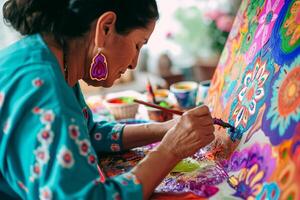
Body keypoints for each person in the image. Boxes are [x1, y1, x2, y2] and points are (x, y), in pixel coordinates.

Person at [0, 0, 215, 199]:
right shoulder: (44, 89)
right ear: (105, 28)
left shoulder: (53, 59)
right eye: (138, 45)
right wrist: (170, 150)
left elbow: (89, 133)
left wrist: (167, 128)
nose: (134, 63)